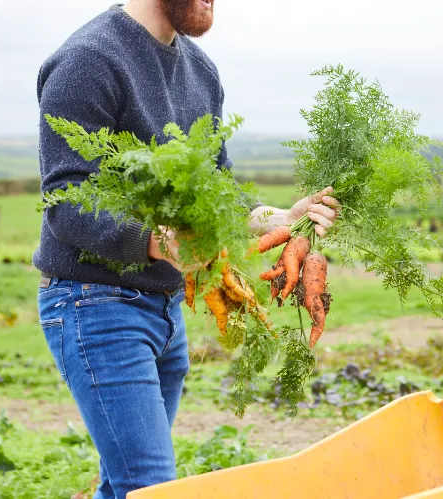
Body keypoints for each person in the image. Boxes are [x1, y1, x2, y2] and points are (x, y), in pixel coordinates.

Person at [33, 1, 339, 497]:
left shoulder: (199, 69)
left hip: (164, 306)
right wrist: (157, 241)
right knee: (150, 486)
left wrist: (278, 218)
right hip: (95, 304)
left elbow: (219, 191)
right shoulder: (88, 60)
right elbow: (66, 204)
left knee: (124, 486)